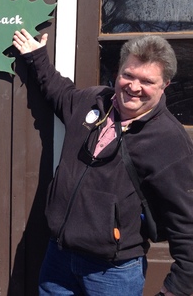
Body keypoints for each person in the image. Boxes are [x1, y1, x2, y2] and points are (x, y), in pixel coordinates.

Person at [12, 29, 193, 296]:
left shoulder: (168, 139)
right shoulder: (93, 101)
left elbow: (185, 217)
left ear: (165, 85)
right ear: (117, 72)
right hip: (58, 258)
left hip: (112, 272)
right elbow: (59, 91)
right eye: (128, 75)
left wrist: (180, 285)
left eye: (147, 81)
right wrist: (36, 56)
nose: (133, 87)